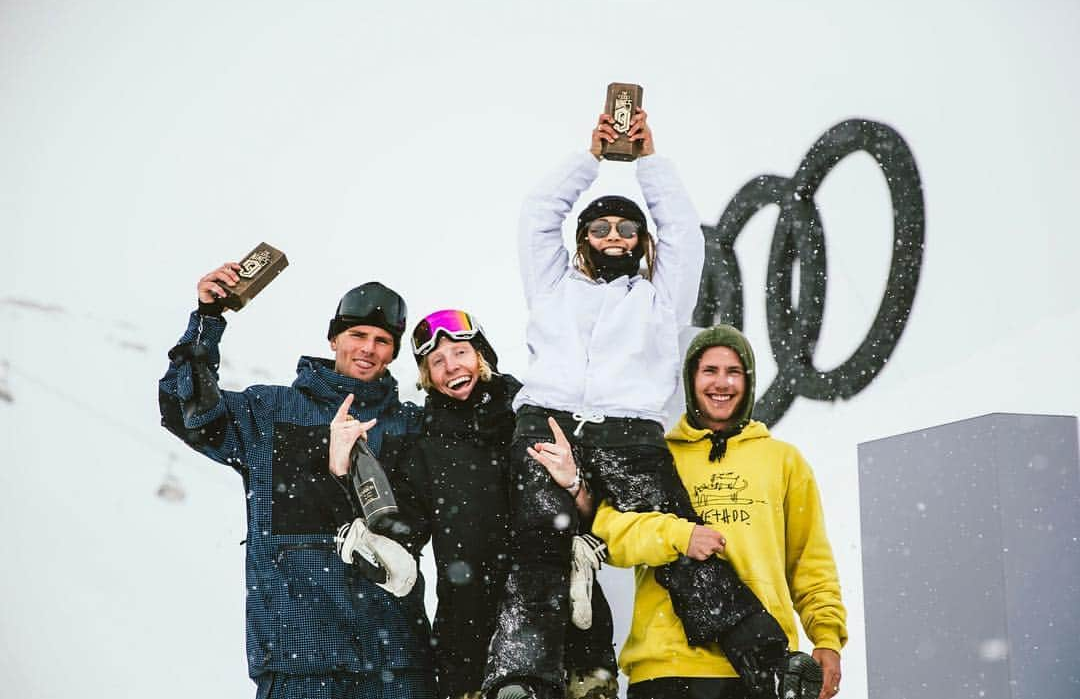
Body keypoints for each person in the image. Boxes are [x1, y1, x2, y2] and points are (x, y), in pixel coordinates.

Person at [482, 110, 787, 699]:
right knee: (540, 548)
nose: (615, 238)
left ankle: (767, 658)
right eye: (601, 229)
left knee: (680, 538)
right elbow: (536, 217)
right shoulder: (551, 287)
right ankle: (523, 681)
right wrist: (589, 159)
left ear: (643, 242)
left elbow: (685, 235)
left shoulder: (660, 300)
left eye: (627, 229)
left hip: (629, 432)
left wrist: (648, 162)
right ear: (583, 242)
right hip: (548, 424)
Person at [158, 264, 436, 699]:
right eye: (358, 335)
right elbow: (185, 410)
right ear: (333, 339)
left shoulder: (411, 426)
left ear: (394, 352)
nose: (368, 349)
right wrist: (207, 320)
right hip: (298, 657)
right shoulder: (270, 411)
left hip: (397, 659)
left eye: (382, 341)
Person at [330, 309, 618, 699]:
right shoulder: (424, 444)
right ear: (426, 376)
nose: (451, 367)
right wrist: (348, 478)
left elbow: (602, 512)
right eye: (437, 361)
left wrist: (577, 484)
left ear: (481, 354)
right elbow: (403, 530)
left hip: (566, 628)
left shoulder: (534, 415)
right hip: (469, 640)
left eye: (460, 353)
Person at [592, 324, 848, 699]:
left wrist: (826, 636)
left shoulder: (783, 460)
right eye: (709, 371)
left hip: (759, 666)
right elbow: (609, 535)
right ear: (691, 379)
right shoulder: (656, 456)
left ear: (749, 380)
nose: (721, 383)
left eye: (733, 372)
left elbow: (810, 561)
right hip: (666, 668)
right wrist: (678, 536)